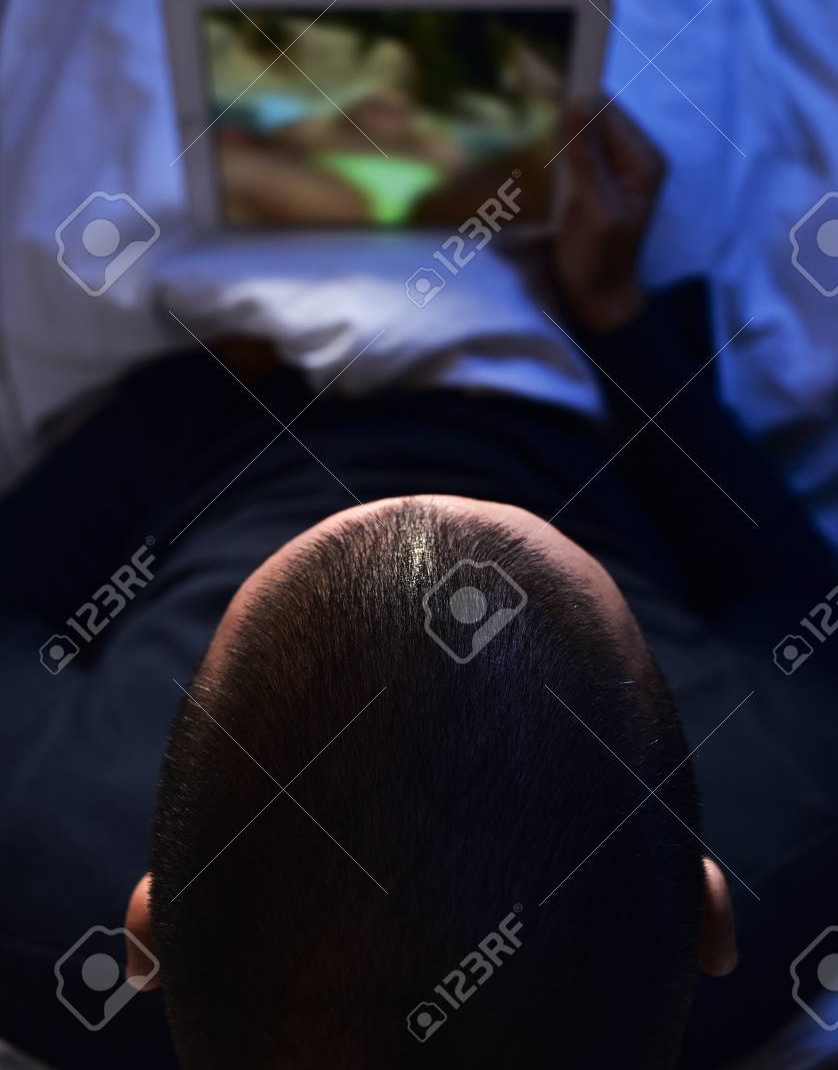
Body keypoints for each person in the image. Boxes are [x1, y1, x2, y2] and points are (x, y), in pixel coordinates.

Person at [0, 103, 835, 1070]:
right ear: (712, 922)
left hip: (251, 414)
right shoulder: (803, 825)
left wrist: (215, 384)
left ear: (142, 934)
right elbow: (789, 595)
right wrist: (620, 322)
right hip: (572, 399)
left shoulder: (28, 875)